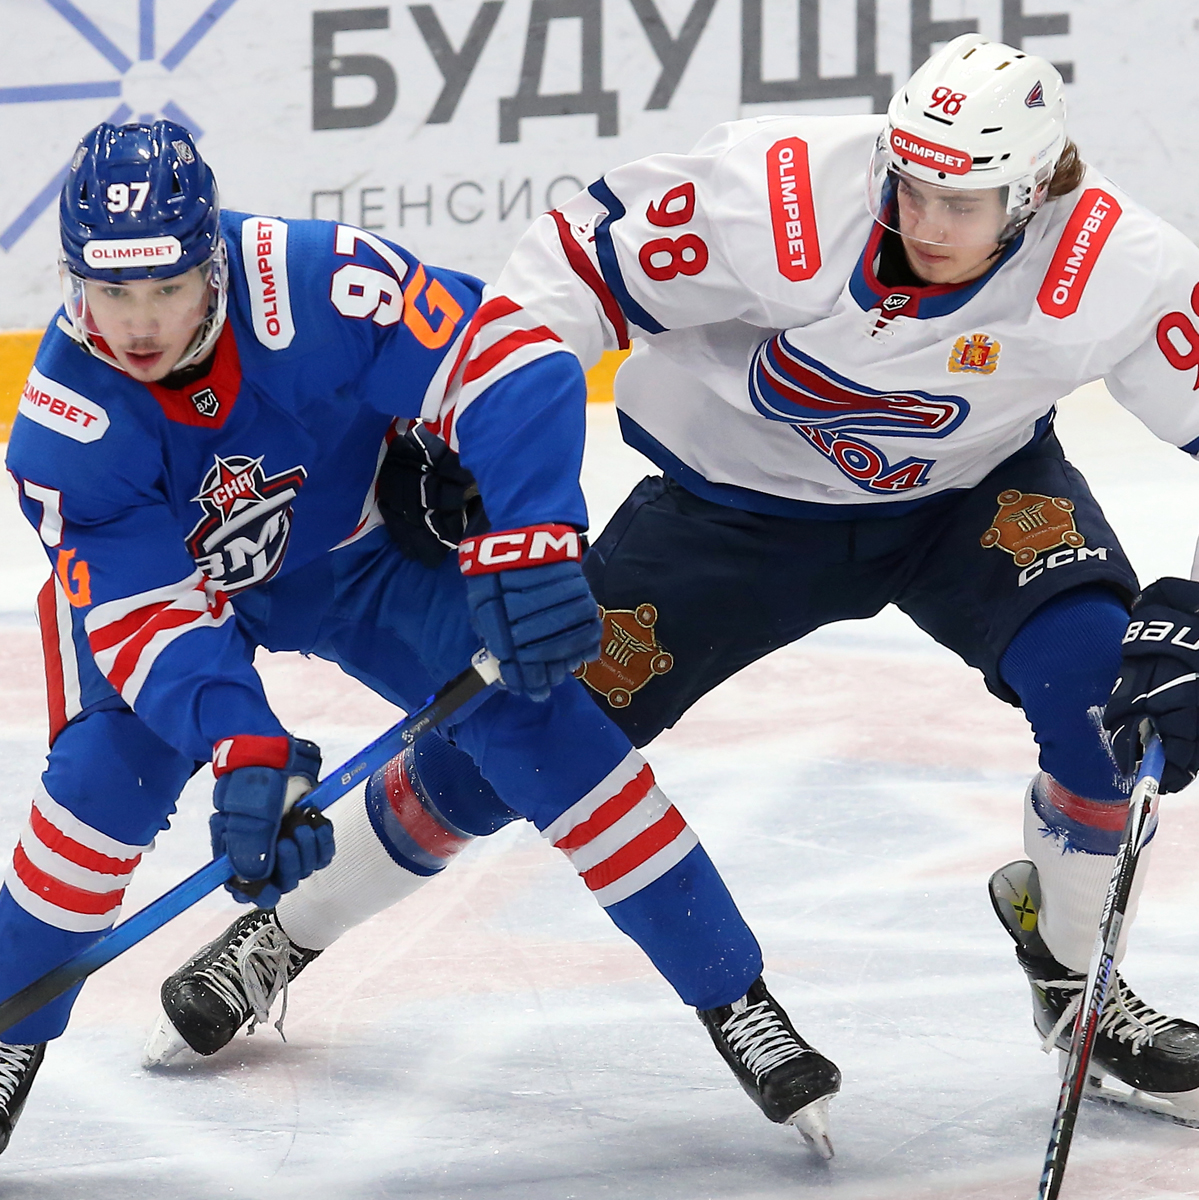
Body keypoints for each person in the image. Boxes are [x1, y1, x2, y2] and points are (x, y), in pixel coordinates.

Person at [153, 32, 1199, 1129]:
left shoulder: (1115, 262)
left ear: (1032, 194)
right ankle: (287, 929)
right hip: (732, 514)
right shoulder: (780, 195)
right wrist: (473, 429)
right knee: (517, 736)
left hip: (968, 502)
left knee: (1101, 703)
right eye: (913, 187)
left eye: (963, 202)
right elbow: (573, 263)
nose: (927, 223)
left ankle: (1075, 981)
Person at [0, 119, 842, 1158]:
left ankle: (734, 996)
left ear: (212, 257)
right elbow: (151, 619)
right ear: (72, 278)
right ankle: (9, 1036)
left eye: (166, 288)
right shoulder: (63, 429)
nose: (138, 325)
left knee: (549, 733)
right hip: (189, 606)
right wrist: (247, 748)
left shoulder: (318, 284)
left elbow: (513, 362)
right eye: (111, 292)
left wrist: (529, 537)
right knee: (97, 794)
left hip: (358, 560)